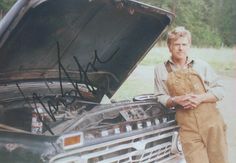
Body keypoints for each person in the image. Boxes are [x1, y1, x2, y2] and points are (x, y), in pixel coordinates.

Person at [154, 26, 228, 163]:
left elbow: (220, 89)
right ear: (169, 47)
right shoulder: (161, 70)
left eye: (184, 44)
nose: (180, 48)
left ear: (189, 46)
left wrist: (201, 98)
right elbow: (160, 96)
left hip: (212, 125)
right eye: (176, 44)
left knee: (220, 160)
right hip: (188, 129)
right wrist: (176, 100)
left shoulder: (201, 65)